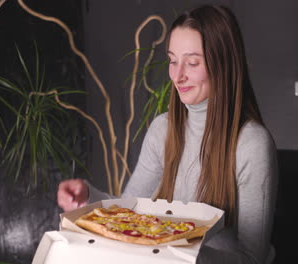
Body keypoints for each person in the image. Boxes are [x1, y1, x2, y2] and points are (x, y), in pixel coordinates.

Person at [58, 4, 278, 264]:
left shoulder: (251, 144)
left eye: (192, 63)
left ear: (223, 65)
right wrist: (88, 197)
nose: (177, 75)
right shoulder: (162, 129)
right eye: (173, 61)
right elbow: (129, 211)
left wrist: (185, 255)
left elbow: (252, 258)